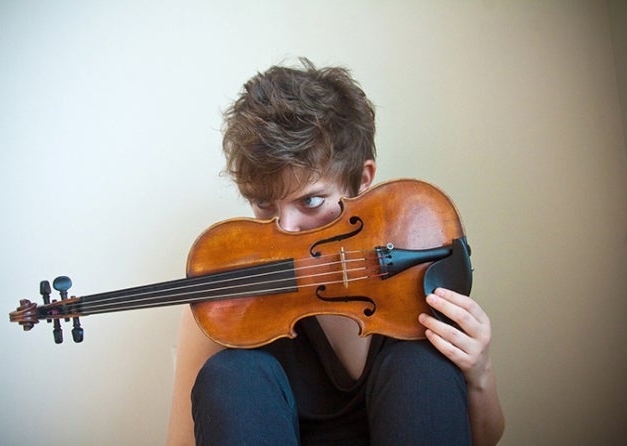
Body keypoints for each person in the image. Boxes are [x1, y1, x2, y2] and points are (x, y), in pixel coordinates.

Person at [166, 58, 504, 445]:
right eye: (264, 204)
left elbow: (484, 439)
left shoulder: (413, 271)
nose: (285, 227)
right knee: (232, 374)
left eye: (310, 200)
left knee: (421, 364)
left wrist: (480, 371)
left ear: (362, 180)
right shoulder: (224, 303)